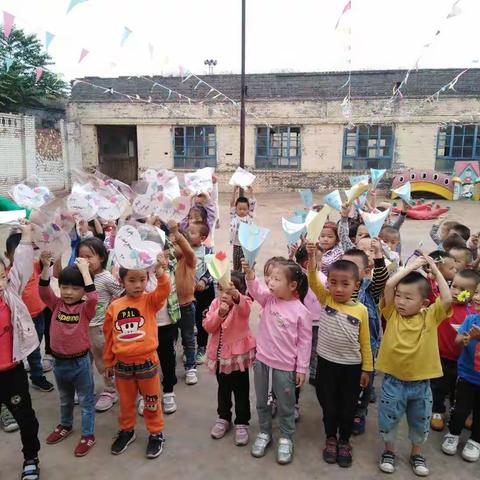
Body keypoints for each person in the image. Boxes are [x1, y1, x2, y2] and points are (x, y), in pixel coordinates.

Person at [376, 255, 452, 476]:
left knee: (420, 421)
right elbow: (389, 284)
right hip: (393, 381)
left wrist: (436, 271)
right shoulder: (392, 314)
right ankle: (388, 452)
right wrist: (410, 268)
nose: (400, 301)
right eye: (399, 296)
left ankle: (416, 454)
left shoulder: (430, 316)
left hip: (421, 384)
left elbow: (447, 300)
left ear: (424, 303)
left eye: (408, 298)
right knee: (388, 419)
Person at [307, 245, 373, 468]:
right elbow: (313, 281)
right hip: (326, 364)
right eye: (333, 283)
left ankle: (344, 440)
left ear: (357, 284)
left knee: (348, 406)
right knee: (328, 404)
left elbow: (365, 344)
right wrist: (311, 258)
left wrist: (367, 370)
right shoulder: (326, 300)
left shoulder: (361, 310)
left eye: (345, 284)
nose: (338, 289)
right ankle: (331, 438)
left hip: (351, 368)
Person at [243, 258, 312, 465]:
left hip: (285, 366)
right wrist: (249, 274)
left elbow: (304, 343)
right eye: (270, 278)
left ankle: (285, 437)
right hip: (262, 361)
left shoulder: (301, 312)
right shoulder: (269, 300)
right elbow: (255, 289)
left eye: (276, 279)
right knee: (262, 400)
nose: (270, 283)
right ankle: (264, 432)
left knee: (286, 404)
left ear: (292, 286)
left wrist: (301, 368)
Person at [103, 253, 171, 459]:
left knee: (151, 400)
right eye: (132, 280)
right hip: (122, 366)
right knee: (126, 402)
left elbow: (164, 290)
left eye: (142, 279)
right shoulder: (115, 306)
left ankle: (156, 433)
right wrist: (108, 361)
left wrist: (161, 273)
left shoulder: (150, 300)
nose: (138, 285)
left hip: (147, 364)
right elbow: (108, 337)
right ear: (121, 281)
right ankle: (127, 431)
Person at [39, 254, 98, 457]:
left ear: (82, 290)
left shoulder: (85, 308)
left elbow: (94, 297)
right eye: (64, 287)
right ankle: (66, 424)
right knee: (65, 398)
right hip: (59, 363)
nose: (68, 292)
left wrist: (84, 271)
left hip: (80, 362)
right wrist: (46, 266)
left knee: (86, 400)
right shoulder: (56, 305)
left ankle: (88, 434)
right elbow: (44, 290)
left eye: (74, 288)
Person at [0, 223, 42, 480]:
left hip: (11, 371)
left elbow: (23, 264)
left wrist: (27, 235)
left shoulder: (9, 294)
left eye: (0, 276)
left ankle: (31, 457)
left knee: (25, 417)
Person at [203, 272, 255, 446]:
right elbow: (209, 327)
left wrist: (236, 297)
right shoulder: (215, 304)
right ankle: (223, 417)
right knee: (223, 389)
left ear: (240, 291)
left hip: (238, 358)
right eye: (222, 290)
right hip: (220, 359)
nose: (225, 295)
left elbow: (245, 309)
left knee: (241, 390)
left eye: (230, 291)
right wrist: (219, 314)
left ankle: (242, 422)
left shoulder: (243, 303)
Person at [342, 241, 388, 436]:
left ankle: (359, 412)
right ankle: (343, 409)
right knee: (343, 381)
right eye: (344, 266)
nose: (347, 272)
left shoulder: (370, 289)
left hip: (367, 348)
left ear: (366, 270)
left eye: (353, 268)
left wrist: (378, 256)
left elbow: (381, 279)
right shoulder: (336, 290)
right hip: (342, 348)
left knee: (364, 382)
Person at [77, 237, 124, 412]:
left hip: (99, 328)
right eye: (81, 256)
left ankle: (110, 390)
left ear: (102, 258)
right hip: (81, 328)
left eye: (89, 256)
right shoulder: (79, 274)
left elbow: (121, 294)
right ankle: (84, 388)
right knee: (83, 361)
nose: (85, 260)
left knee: (104, 362)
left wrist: (112, 313)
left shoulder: (105, 278)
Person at [5, 232, 54, 393]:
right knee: (30, 349)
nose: (23, 261)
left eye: (27, 255)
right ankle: (37, 375)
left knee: (35, 344)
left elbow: (46, 263)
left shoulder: (33, 265)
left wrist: (46, 259)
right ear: (8, 255)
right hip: (22, 320)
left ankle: (34, 369)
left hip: (39, 314)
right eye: (18, 256)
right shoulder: (7, 274)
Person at [441, 282, 480, 462]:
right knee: (459, 409)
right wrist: (464, 338)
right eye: (477, 292)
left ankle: (475, 440)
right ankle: (453, 434)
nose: (477, 297)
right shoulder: (471, 319)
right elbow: (458, 339)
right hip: (466, 375)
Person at [168, 220, 198, 385]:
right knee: (170, 340)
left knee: (188, 338)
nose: (173, 246)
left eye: (176, 243)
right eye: (170, 244)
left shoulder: (188, 261)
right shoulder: (167, 263)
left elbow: (188, 251)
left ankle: (191, 367)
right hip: (169, 308)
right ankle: (170, 368)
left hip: (186, 306)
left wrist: (177, 234)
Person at [189, 222, 215, 365]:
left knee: (202, 319)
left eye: (193, 233)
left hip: (204, 292)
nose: (188, 234)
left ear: (202, 237)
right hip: (188, 292)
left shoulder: (208, 251)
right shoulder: (184, 250)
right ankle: (190, 349)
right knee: (188, 321)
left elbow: (212, 269)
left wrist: (204, 281)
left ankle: (202, 347)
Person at [230, 185, 256, 271]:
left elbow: (253, 203)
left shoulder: (249, 216)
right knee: (236, 267)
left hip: (247, 246)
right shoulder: (234, 216)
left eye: (244, 209)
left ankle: (247, 282)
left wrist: (251, 191)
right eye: (240, 209)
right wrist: (234, 191)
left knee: (247, 267)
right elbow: (232, 203)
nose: (242, 211)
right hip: (237, 245)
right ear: (236, 209)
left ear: (248, 209)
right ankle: (237, 282)